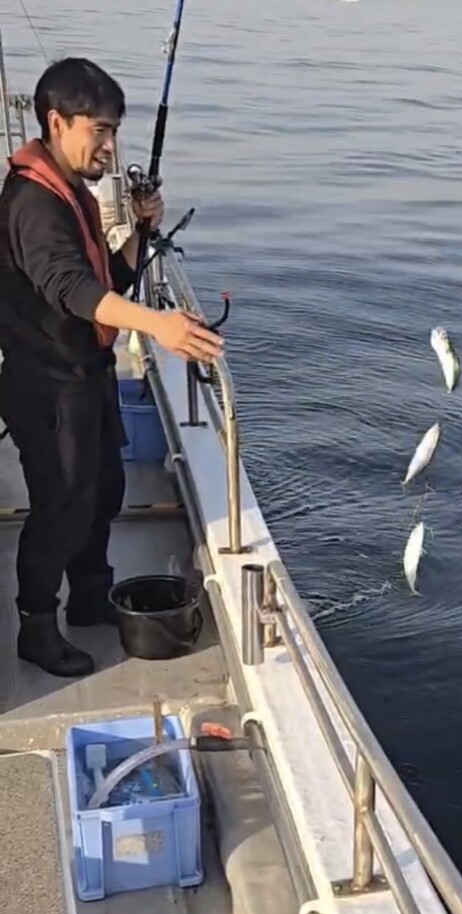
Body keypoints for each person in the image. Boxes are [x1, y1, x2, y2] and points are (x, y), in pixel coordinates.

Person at [0, 56, 224, 679]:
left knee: (104, 492)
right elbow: (71, 289)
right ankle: (37, 629)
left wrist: (140, 233)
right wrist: (162, 325)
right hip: (44, 385)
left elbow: (109, 279)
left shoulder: (71, 191)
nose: (108, 144)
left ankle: (92, 595)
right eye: (97, 129)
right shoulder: (33, 203)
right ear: (56, 121)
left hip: (85, 374)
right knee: (60, 506)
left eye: (114, 130)